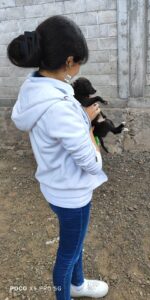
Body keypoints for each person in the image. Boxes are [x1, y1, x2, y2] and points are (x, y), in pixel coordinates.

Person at [7, 15, 109, 300]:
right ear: (68, 62)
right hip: (71, 194)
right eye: (78, 63)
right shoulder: (60, 108)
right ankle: (67, 290)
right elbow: (92, 162)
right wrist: (89, 125)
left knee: (74, 244)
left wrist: (81, 118)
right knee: (68, 254)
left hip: (55, 185)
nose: (78, 70)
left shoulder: (34, 87)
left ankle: (77, 284)